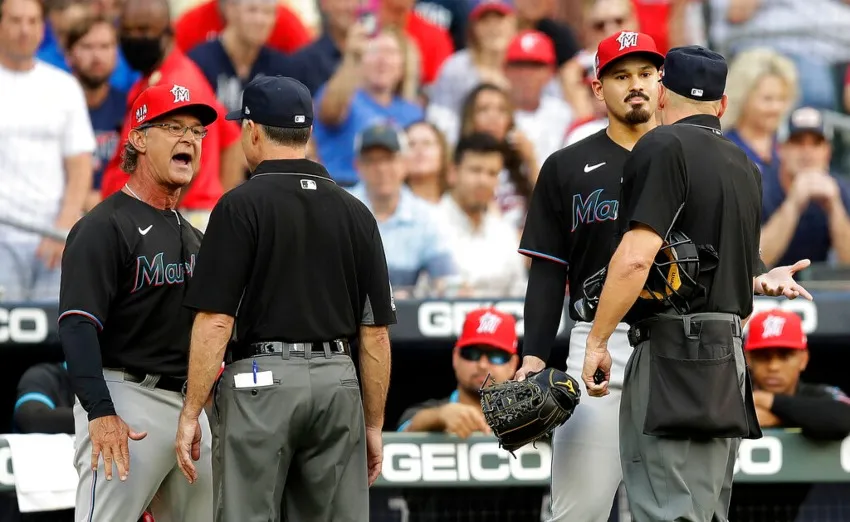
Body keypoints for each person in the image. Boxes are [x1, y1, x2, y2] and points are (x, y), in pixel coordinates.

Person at [580, 46, 812, 522]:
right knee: (705, 512)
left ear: (663, 93)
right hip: (727, 356)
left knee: (665, 509)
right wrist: (762, 279)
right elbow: (732, 261)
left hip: (672, 351)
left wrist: (598, 340)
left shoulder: (662, 145)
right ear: (723, 105)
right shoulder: (745, 164)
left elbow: (636, 258)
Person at [175, 76, 394, 522]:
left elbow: (216, 321)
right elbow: (375, 336)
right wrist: (373, 424)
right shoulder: (356, 211)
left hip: (261, 381)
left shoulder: (239, 205)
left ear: (252, 130)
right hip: (338, 381)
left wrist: (190, 411)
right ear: (308, 132)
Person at [515, 30, 665, 522]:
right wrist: (534, 355)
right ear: (598, 88)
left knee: (677, 512)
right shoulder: (566, 167)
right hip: (596, 347)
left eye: (645, 74)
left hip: (675, 346)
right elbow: (546, 271)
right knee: (576, 514)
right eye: (621, 76)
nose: (635, 84)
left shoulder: (690, 159)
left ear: (661, 82)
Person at [57, 83, 217, 522]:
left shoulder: (195, 237)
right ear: (139, 138)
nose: (189, 139)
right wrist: (101, 412)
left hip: (188, 407)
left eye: (197, 131)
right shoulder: (103, 227)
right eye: (173, 127)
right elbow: (76, 325)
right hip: (125, 397)